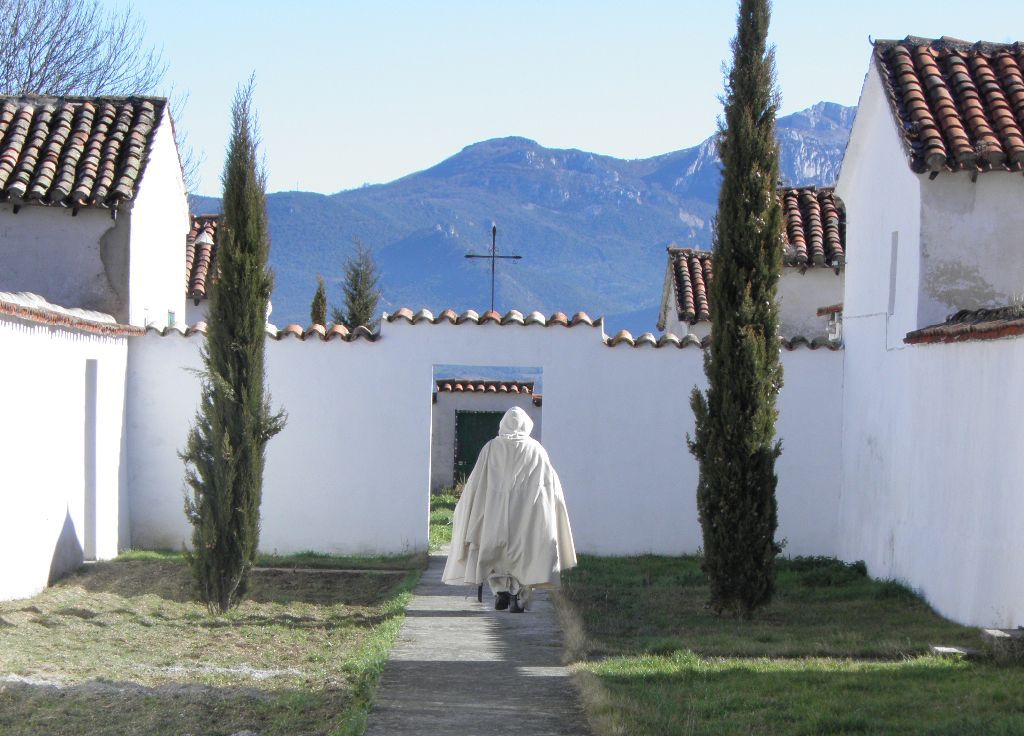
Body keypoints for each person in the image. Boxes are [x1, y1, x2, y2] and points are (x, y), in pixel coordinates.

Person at [442, 406, 577, 612]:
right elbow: (550, 486)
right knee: (525, 554)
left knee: (493, 554)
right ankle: (518, 597)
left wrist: (468, 507)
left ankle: (500, 592)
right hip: (527, 516)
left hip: (494, 514)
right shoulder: (536, 450)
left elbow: (476, 482)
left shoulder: (491, 448)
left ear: (503, 424)